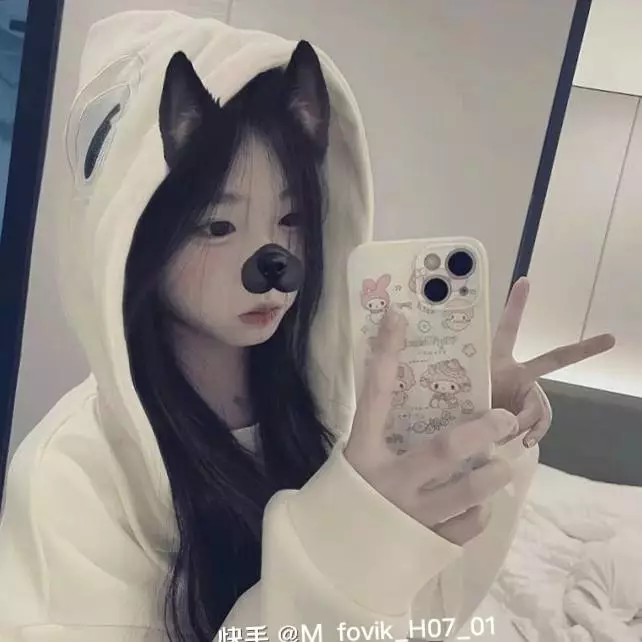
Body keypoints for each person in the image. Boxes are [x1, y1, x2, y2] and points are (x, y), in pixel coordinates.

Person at [0, 10, 615, 642]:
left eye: (292, 221)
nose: (273, 261)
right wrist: (350, 554)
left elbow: (425, 620)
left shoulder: (336, 414)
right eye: (218, 225)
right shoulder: (70, 480)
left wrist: (479, 442)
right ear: (137, 237)